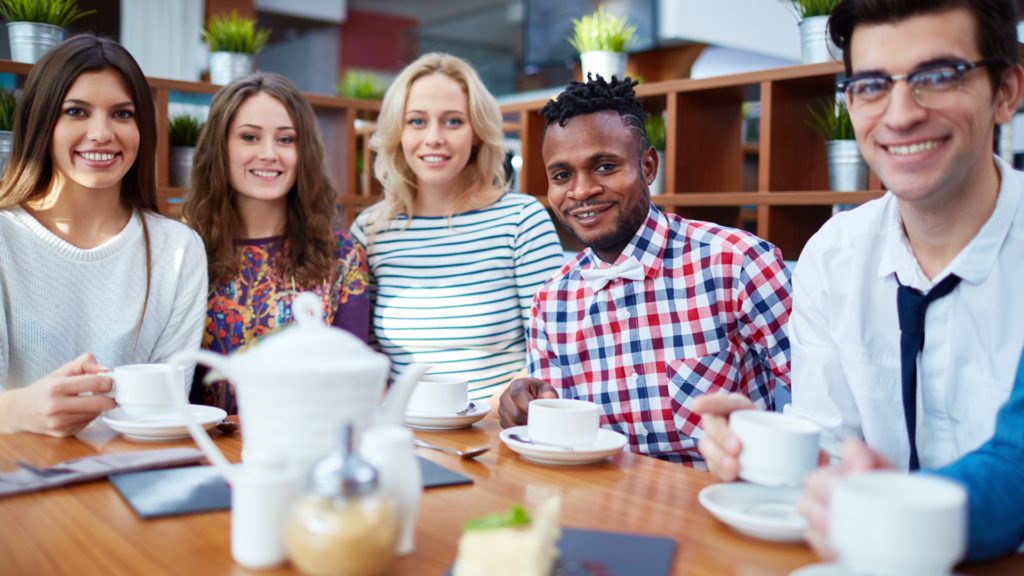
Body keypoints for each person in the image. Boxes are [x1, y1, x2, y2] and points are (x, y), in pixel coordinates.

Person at [695, 0, 1024, 559]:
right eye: (871, 85)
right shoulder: (831, 256)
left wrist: (891, 509)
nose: (899, 115)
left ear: (1007, 91)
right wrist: (776, 454)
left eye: (937, 76)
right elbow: (832, 449)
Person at [497, 76, 792, 465]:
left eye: (604, 166)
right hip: (603, 504)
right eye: (562, 175)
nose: (581, 190)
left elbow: (823, 403)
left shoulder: (738, 263)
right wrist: (526, 405)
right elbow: (559, 439)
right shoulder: (551, 301)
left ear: (648, 165)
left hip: (725, 499)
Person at [0, 35, 208, 436]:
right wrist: (19, 410)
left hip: (133, 480)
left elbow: (165, 410)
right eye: (76, 111)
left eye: (122, 114)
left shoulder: (178, 250)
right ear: (42, 122)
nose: (102, 132)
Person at [350, 53, 564, 401]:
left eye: (452, 121)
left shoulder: (522, 220)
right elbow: (369, 358)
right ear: (398, 132)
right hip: (406, 437)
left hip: (498, 438)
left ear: (477, 132)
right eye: (417, 121)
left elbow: (553, 348)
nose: (434, 138)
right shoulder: (371, 231)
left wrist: (482, 419)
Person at [182, 72, 370, 414]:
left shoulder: (342, 257)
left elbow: (353, 384)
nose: (269, 154)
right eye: (250, 137)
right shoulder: (187, 253)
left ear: (304, 152)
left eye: (285, 140)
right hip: (204, 451)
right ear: (220, 147)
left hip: (308, 450)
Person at [799, 345, 1024, 562]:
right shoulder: (827, 305)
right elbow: (821, 438)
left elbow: (1018, 459)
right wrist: (828, 498)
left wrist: (910, 510)